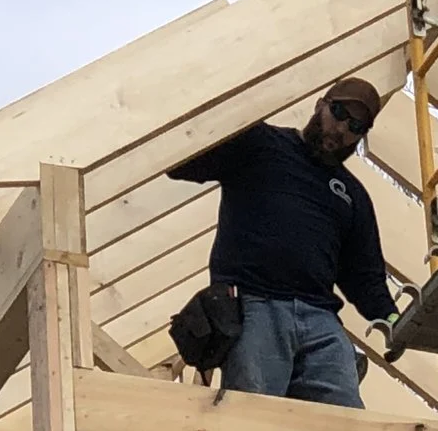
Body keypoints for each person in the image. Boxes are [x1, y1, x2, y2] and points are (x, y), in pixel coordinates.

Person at [169, 78, 398, 410]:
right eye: (338, 112)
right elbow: (187, 160)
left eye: (356, 125)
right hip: (257, 305)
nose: (341, 128)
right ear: (320, 104)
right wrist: (169, 134)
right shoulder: (262, 144)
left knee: (347, 428)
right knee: (254, 417)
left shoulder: (352, 195)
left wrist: (391, 319)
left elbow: (364, 274)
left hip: (320, 318)